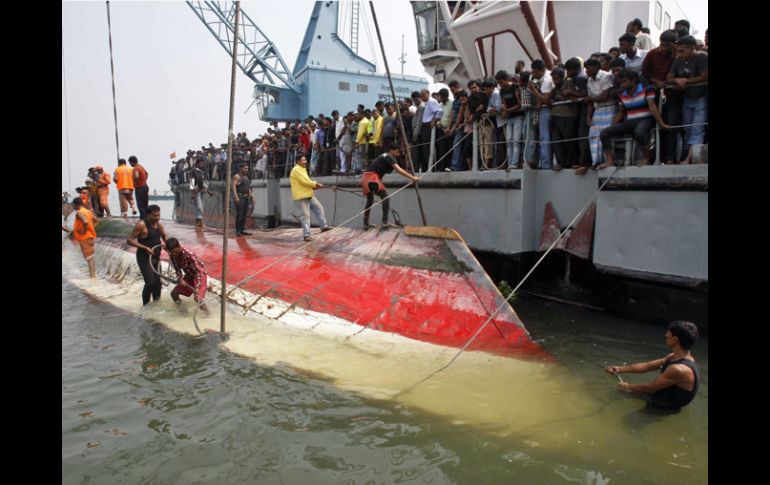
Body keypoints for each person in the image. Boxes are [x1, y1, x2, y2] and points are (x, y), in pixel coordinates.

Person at [606, 320, 701, 410]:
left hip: (661, 408)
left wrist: (626, 386)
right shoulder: (674, 356)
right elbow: (647, 366)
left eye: (668, 333)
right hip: (660, 396)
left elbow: (648, 388)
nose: (666, 335)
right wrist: (620, 369)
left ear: (675, 339)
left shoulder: (679, 369)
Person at [361, 143, 419, 229]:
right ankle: (385, 222)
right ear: (391, 150)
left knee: (370, 200)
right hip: (372, 178)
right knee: (385, 198)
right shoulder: (389, 157)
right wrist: (412, 177)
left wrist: (379, 182)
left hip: (366, 177)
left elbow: (379, 171)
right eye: (397, 151)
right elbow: (399, 170)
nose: (398, 153)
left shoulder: (383, 156)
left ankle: (365, 224)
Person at [126, 204, 168, 305]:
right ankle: (145, 306)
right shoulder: (141, 225)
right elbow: (129, 240)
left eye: (158, 215)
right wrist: (144, 247)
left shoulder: (159, 225)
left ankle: (156, 305)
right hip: (144, 258)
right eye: (154, 216)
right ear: (148, 215)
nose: (157, 218)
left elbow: (164, 236)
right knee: (150, 283)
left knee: (158, 283)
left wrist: (167, 244)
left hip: (156, 257)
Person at [289, 155, 331, 242]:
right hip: (301, 197)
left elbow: (305, 183)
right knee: (305, 216)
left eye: (305, 160)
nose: (305, 162)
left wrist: (314, 186)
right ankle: (306, 235)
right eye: (303, 160)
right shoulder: (296, 170)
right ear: (298, 161)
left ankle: (324, 226)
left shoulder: (302, 169)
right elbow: (304, 181)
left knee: (319, 208)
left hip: (308, 194)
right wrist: (315, 184)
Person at [165, 238, 208, 314]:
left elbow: (199, 272)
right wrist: (180, 278)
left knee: (197, 298)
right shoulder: (172, 255)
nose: (173, 254)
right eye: (171, 252)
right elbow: (177, 269)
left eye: (174, 252)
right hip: (189, 275)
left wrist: (197, 287)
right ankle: (183, 311)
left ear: (179, 247)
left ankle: (208, 314)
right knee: (174, 294)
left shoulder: (189, 255)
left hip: (200, 275)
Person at [69, 197, 99, 278]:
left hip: (84, 237)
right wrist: (90, 228)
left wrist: (84, 231)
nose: (73, 207)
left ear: (76, 205)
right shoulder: (88, 211)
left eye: (73, 205)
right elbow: (96, 220)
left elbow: (85, 221)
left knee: (89, 258)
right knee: (90, 257)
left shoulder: (79, 213)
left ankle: (92, 278)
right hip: (89, 236)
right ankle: (93, 276)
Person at [232, 163, 253, 236]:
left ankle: (242, 229)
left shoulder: (246, 177)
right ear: (240, 168)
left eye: (247, 168)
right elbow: (234, 186)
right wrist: (236, 196)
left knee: (244, 214)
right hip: (240, 196)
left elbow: (248, 188)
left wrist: (252, 197)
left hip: (246, 197)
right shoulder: (237, 176)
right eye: (245, 168)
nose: (246, 170)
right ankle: (238, 230)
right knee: (239, 214)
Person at [190, 158, 212, 227]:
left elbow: (204, 182)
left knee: (199, 207)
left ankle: (198, 222)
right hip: (196, 191)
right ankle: (199, 222)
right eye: (201, 163)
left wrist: (208, 191)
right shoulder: (193, 171)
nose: (202, 165)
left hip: (202, 191)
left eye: (202, 163)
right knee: (199, 207)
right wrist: (193, 193)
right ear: (197, 164)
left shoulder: (201, 172)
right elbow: (192, 182)